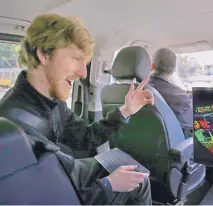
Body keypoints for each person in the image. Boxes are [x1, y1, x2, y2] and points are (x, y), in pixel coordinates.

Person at [0, 14, 154, 205]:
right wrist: (106, 185)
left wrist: (125, 111)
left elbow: (84, 138)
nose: (83, 73)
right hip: (56, 189)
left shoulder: (51, 101)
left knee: (135, 174)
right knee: (139, 184)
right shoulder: (12, 125)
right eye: (76, 58)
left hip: (63, 173)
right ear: (44, 54)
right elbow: (41, 196)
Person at [149, 48, 193, 136]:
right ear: (173, 70)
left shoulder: (136, 91)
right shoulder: (179, 96)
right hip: (173, 147)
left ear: (152, 66)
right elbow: (191, 125)